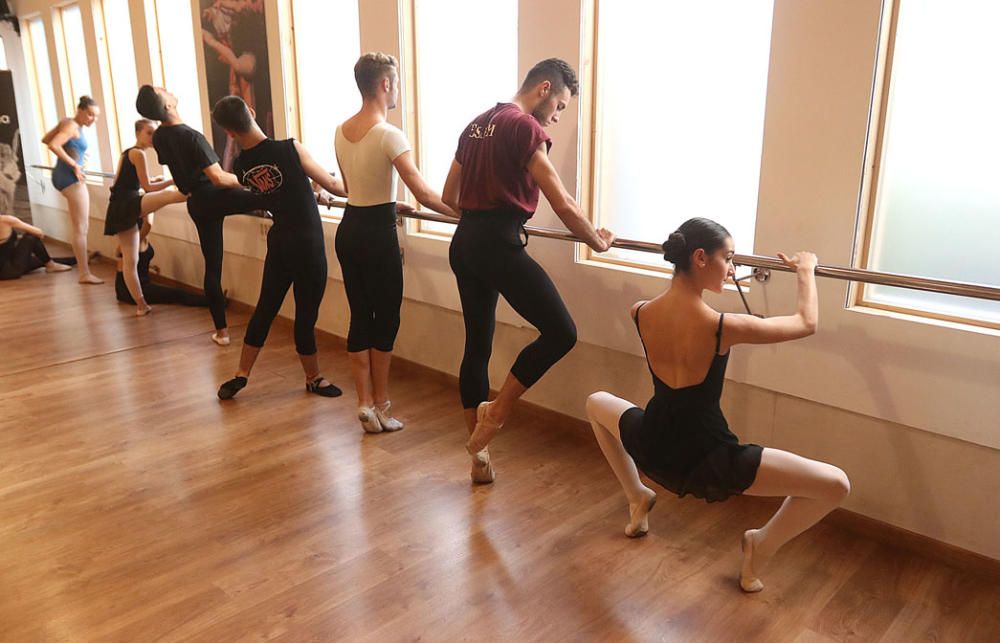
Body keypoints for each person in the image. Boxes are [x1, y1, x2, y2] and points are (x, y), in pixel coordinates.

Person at [585, 217, 850, 593]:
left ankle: (637, 495)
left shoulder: (639, 311)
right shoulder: (721, 326)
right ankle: (760, 544)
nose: (732, 268)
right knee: (836, 485)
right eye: (729, 258)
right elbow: (806, 323)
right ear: (700, 258)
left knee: (596, 403)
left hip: (653, 442)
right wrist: (805, 269)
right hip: (708, 458)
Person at [442, 58, 615, 482]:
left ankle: (479, 457)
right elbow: (563, 203)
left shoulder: (475, 125)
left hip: (464, 242)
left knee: (477, 346)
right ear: (543, 89)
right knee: (562, 331)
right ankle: (496, 413)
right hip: (498, 244)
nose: (557, 116)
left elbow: (450, 195)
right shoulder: (524, 127)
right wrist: (597, 241)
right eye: (559, 105)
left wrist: (482, 215)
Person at [334, 52, 458, 433]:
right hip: (376, 235)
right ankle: (382, 405)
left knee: (359, 315)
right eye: (397, 82)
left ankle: (363, 404)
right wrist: (466, 214)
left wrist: (391, 201)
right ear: (385, 84)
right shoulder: (389, 133)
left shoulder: (341, 130)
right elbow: (423, 192)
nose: (398, 90)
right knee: (385, 318)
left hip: (350, 228)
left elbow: (354, 189)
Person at [211, 95, 346, 400]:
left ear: (229, 132)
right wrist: (376, 198)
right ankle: (313, 378)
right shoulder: (289, 147)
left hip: (280, 242)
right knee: (305, 315)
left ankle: (241, 374)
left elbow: (279, 192)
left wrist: (312, 194)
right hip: (307, 244)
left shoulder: (243, 166)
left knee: (266, 308)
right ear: (252, 112)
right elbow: (335, 186)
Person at [135, 84, 268, 345]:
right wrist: (251, 181)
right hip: (214, 197)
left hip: (196, 203)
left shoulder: (160, 136)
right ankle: (312, 192)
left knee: (213, 266)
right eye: (163, 90)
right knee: (271, 194)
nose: (167, 88)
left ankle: (222, 332)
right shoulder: (192, 136)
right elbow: (218, 178)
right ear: (167, 105)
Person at [103, 119, 187, 316]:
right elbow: (148, 187)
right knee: (166, 196)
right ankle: (193, 189)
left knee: (130, 261)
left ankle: (142, 306)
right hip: (127, 205)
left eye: (154, 133)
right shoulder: (138, 153)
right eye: (149, 133)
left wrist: (155, 181)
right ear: (138, 132)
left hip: (119, 207)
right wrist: (172, 180)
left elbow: (125, 183)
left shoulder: (127, 153)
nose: (152, 137)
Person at [41, 96, 102, 284]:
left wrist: (75, 155)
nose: (93, 119)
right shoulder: (72, 126)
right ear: (80, 110)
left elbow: (45, 139)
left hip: (61, 175)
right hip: (70, 177)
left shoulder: (67, 122)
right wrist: (75, 164)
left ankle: (84, 270)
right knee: (81, 228)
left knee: (79, 227)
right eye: (91, 114)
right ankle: (84, 273)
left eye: (96, 116)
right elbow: (53, 145)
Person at [114, 214, 210, 308]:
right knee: (177, 294)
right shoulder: (130, 243)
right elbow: (122, 270)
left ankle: (212, 300)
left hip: (141, 284)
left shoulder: (141, 239)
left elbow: (135, 261)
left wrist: (150, 266)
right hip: (131, 291)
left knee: (175, 293)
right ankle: (213, 301)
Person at [0, 214, 72, 279]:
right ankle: (51, 265)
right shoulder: (5, 220)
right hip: (10, 270)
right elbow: (39, 233)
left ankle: (75, 260)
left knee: (41, 260)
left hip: (7, 266)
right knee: (31, 237)